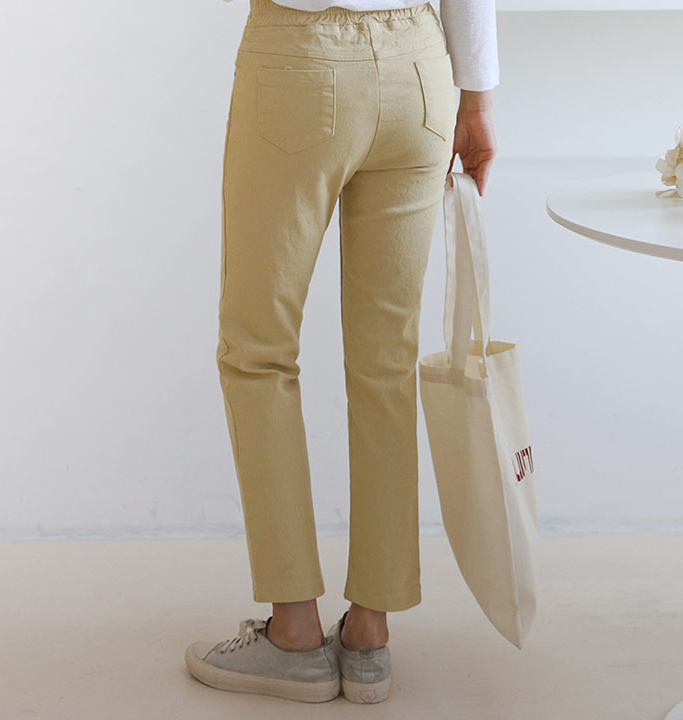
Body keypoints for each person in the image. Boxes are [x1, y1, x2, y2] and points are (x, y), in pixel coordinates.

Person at [185, 0, 499, 704]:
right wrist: (477, 99)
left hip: (297, 62)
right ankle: (369, 634)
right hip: (421, 69)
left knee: (258, 352)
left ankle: (294, 634)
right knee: (386, 363)